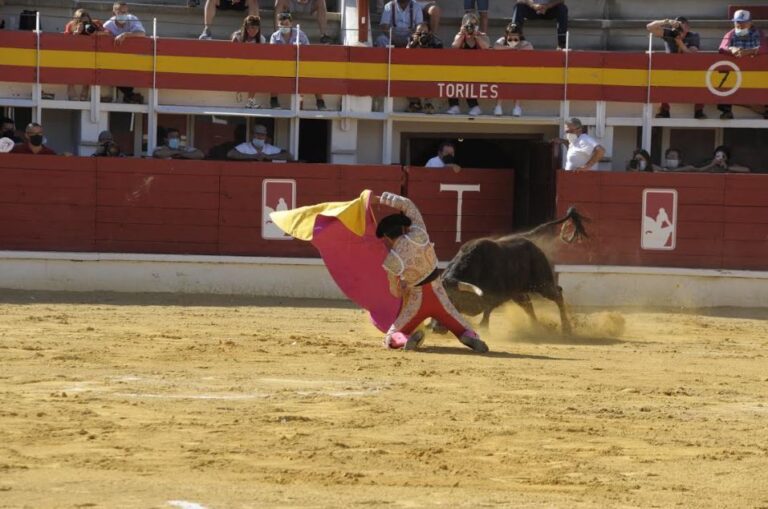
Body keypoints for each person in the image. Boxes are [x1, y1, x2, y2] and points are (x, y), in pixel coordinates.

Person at [375, 192, 489, 352]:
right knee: (461, 326)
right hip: (439, 294)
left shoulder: (392, 259)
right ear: (403, 228)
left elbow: (395, 292)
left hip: (417, 302)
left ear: (386, 237)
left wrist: (404, 286)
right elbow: (408, 205)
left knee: (391, 336)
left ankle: (404, 339)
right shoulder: (419, 233)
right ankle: (468, 336)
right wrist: (382, 199)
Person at [646, 16, 705, 119]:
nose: (679, 32)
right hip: (671, 68)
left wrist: (680, 43)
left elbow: (692, 54)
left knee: (701, 80)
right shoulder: (670, 33)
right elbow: (649, 27)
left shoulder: (693, 36)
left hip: (689, 69)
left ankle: (699, 110)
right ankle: (665, 110)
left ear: (687, 28)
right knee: (662, 80)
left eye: (681, 29)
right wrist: (666, 21)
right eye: (677, 29)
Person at [717, 10, 768, 119]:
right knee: (724, 81)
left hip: (755, 71)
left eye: (743, 22)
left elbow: (765, 48)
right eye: (737, 22)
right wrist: (731, 49)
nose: (740, 25)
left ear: (750, 23)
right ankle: (726, 111)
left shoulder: (759, 33)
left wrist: (750, 51)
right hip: (735, 72)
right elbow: (722, 48)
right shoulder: (730, 34)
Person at [269, 13, 325, 110]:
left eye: (286, 24)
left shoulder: (300, 34)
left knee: (315, 73)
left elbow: (308, 50)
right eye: (281, 24)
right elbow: (273, 53)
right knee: (274, 71)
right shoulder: (274, 36)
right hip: (282, 65)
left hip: (299, 64)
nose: (283, 26)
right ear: (278, 24)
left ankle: (320, 101)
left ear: (291, 24)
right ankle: (273, 100)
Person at [103, 2, 146, 104]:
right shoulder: (108, 24)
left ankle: (129, 95)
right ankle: (129, 95)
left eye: (126, 12)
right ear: (114, 13)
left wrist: (126, 34)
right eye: (122, 12)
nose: (124, 14)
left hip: (133, 58)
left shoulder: (132, 18)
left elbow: (142, 33)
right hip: (113, 60)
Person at [447, 13, 489, 116]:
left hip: (479, 68)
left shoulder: (482, 35)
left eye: (473, 25)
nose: (470, 27)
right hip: (462, 69)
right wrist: (462, 34)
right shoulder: (460, 35)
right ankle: (454, 106)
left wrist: (476, 36)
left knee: (468, 78)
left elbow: (486, 47)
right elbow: (454, 46)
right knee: (452, 77)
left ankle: (475, 106)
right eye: (468, 25)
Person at [63, 9, 107, 102]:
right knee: (71, 67)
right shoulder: (71, 25)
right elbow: (65, 39)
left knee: (89, 69)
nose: (85, 23)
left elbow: (108, 33)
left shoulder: (96, 23)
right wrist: (76, 33)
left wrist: (96, 33)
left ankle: (85, 89)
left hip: (92, 52)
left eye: (86, 21)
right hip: (75, 52)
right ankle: (70, 89)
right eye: (81, 21)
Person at [493, 22, 533, 116]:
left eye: (515, 37)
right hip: (503, 70)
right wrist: (511, 49)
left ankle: (516, 107)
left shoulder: (523, 42)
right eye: (510, 36)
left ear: (520, 35)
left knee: (518, 84)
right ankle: (498, 106)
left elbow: (530, 47)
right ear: (507, 35)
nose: (513, 40)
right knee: (501, 82)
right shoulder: (503, 40)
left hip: (518, 71)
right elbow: (496, 46)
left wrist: (518, 47)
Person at [405, 22, 442, 114]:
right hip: (413, 70)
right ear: (414, 33)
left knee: (435, 76)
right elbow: (404, 55)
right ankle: (415, 103)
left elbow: (440, 57)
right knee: (402, 77)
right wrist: (414, 43)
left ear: (430, 32)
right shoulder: (411, 40)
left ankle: (428, 103)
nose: (422, 35)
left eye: (424, 33)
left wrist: (428, 44)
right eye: (419, 32)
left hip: (430, 70)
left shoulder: (435, 41)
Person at [231, 15, 267, 108]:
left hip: (252, 65)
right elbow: (232, 54)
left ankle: (250, 101)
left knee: (256, 73)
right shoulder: (237, 37)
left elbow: (261, 57)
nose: (253, 30)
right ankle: (239, 90)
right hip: (238, 63)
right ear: (246, 27)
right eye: (251, 27)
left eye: (256, 28)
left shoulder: (261, 39)